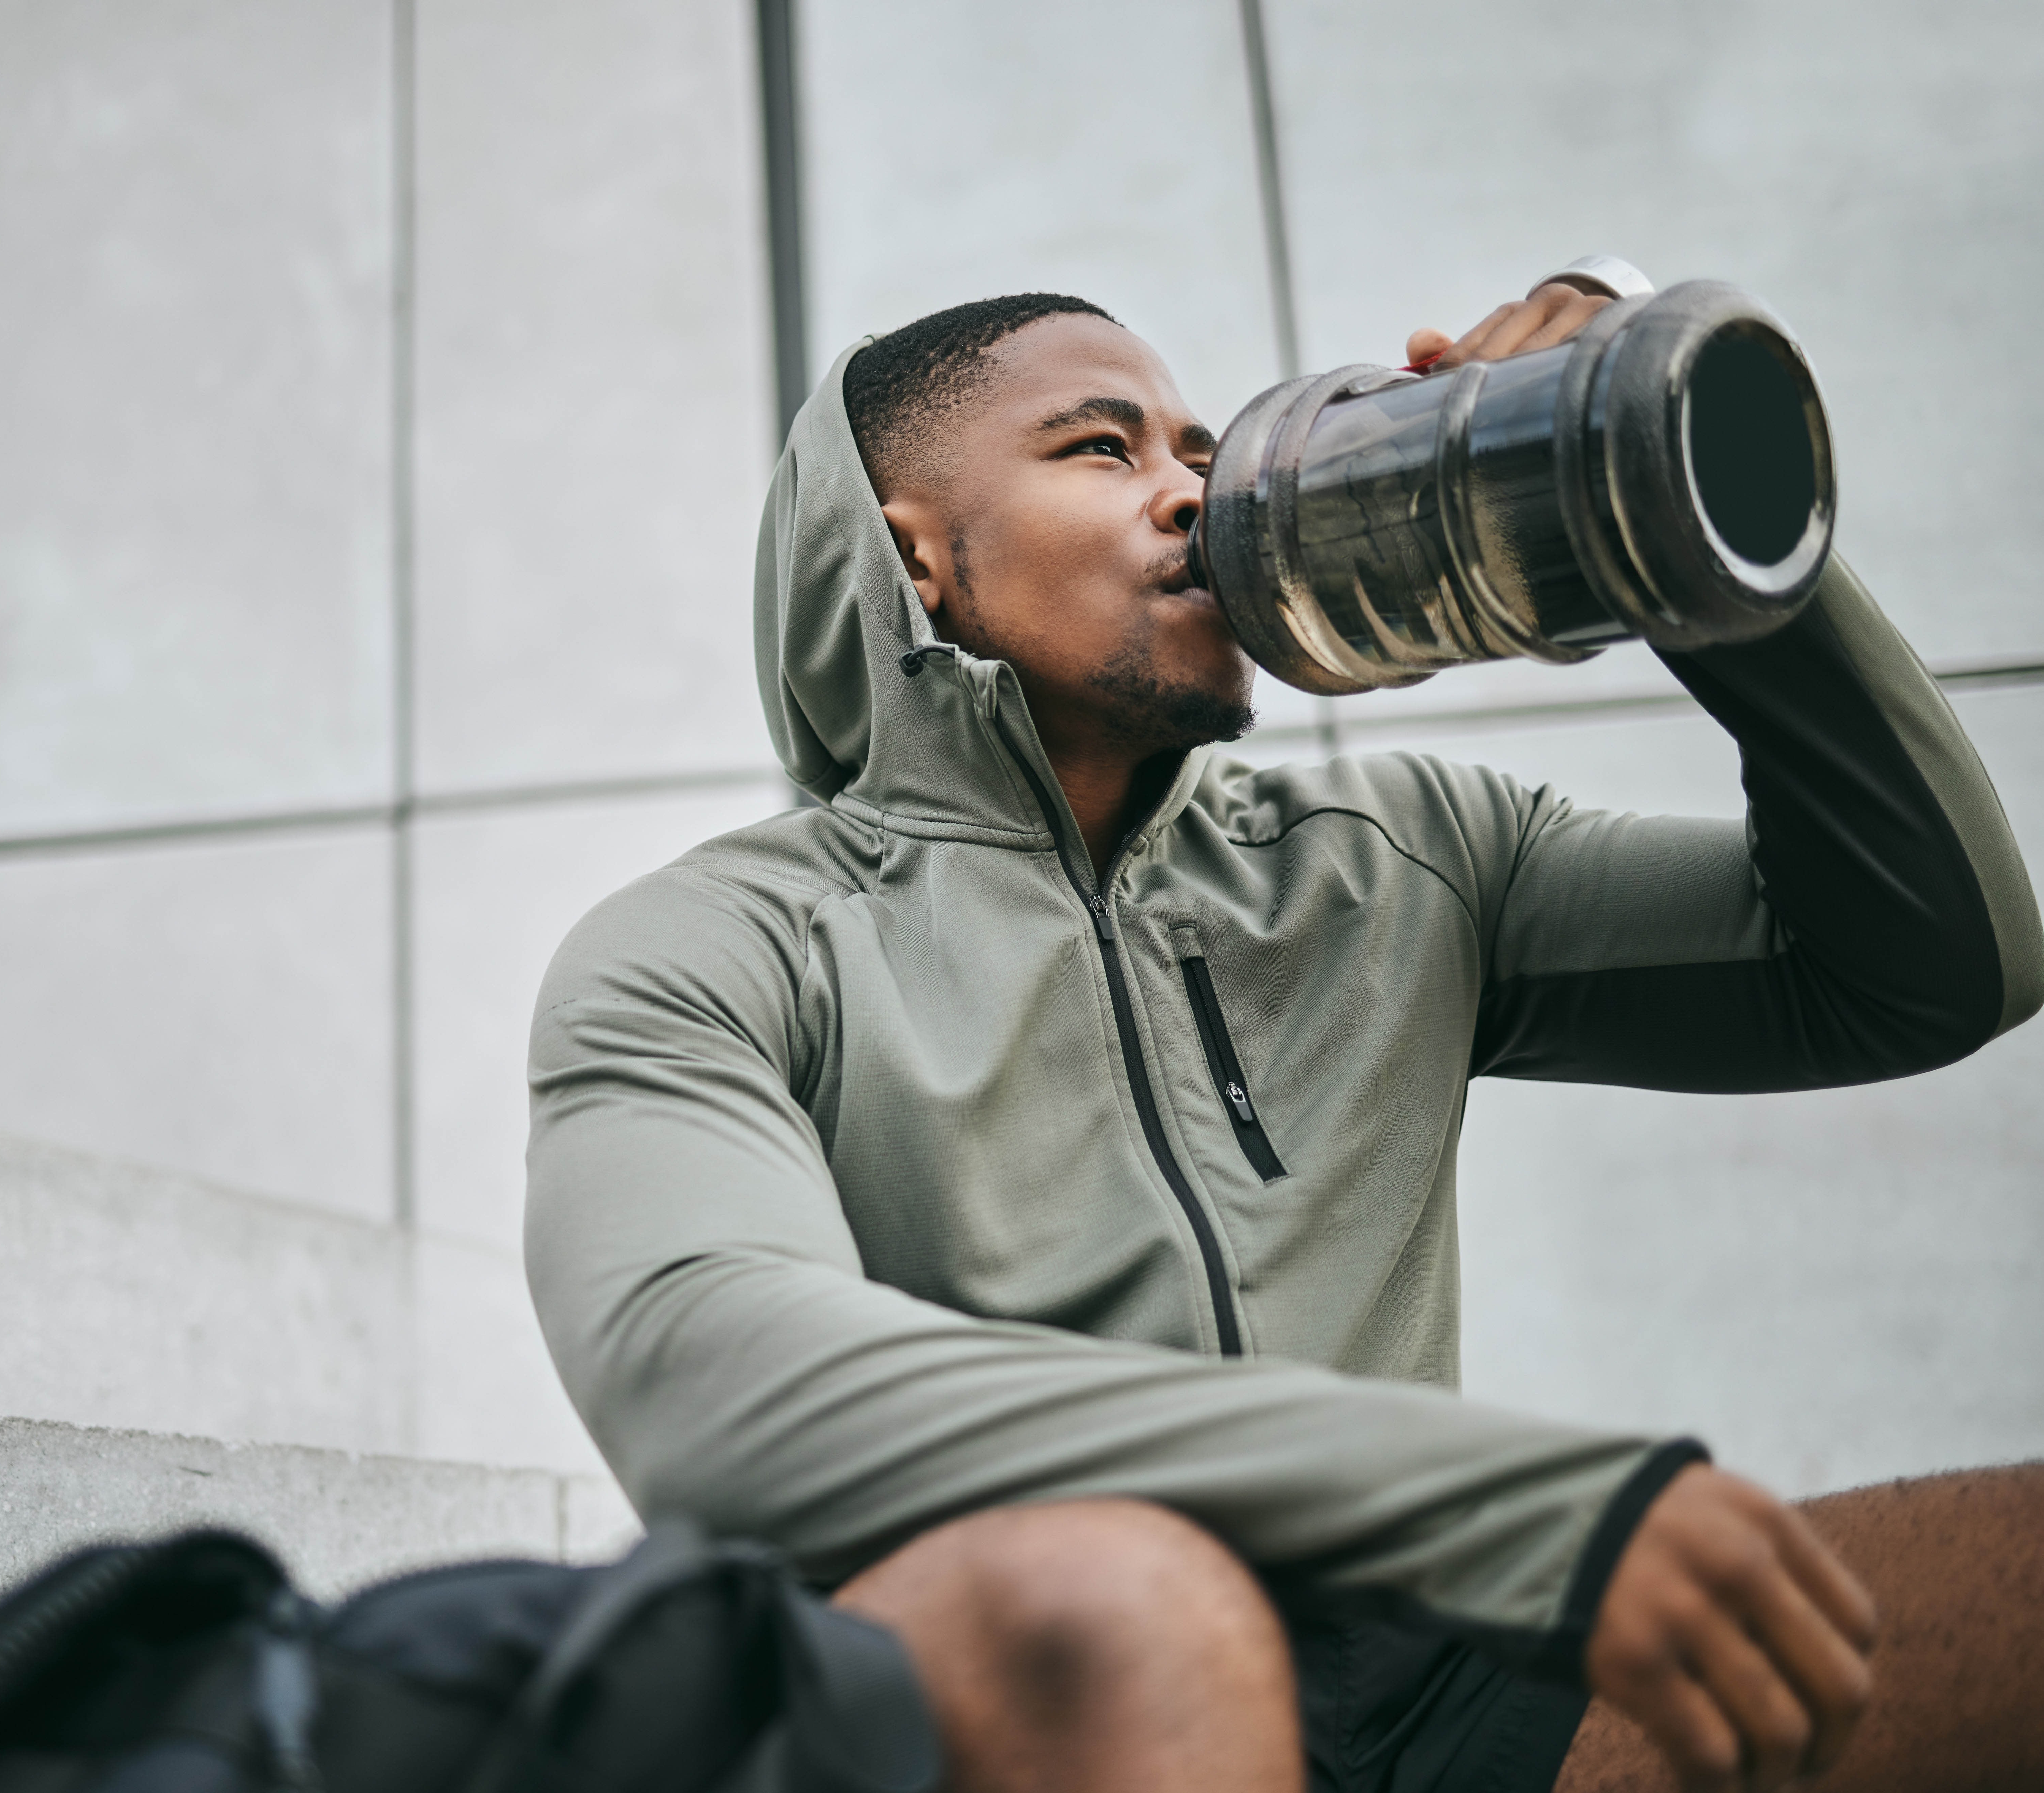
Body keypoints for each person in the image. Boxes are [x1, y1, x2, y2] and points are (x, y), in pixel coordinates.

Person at [522, 282, 2043, 1793]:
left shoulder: (1407, 853)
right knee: (1130, 1617)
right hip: (1034, 1691)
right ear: (917, 557)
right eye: (1101, 450)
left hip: (1437, 1688)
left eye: (1196, 448)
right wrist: (1503, 1510)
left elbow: (1928, 966)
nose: (1191, 492)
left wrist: (1664, 522)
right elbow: (708, 1377)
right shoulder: (718, 948)